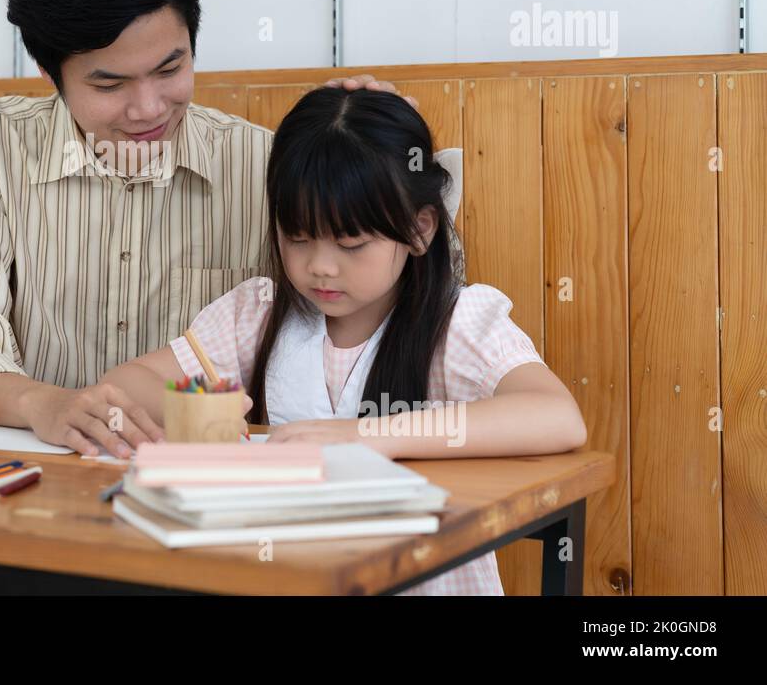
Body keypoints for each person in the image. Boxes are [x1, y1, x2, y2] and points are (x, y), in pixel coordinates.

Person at [0, 0, 413, 458]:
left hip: (216, 490)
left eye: (170, 70)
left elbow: (417, 290)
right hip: (35, 481)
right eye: (109, 84)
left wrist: (375, 162)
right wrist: (41, 404)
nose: (147, 109)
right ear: (49, 72)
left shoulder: (262, 162)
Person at [101, 86, 587, 594]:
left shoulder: (457, 320)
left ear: (420, 230)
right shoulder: (259, 313)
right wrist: (204, 418)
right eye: (298, 237)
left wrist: (363, 437)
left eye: (352, 243)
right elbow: (128, 382)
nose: (321, 267)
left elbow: (556, 416)